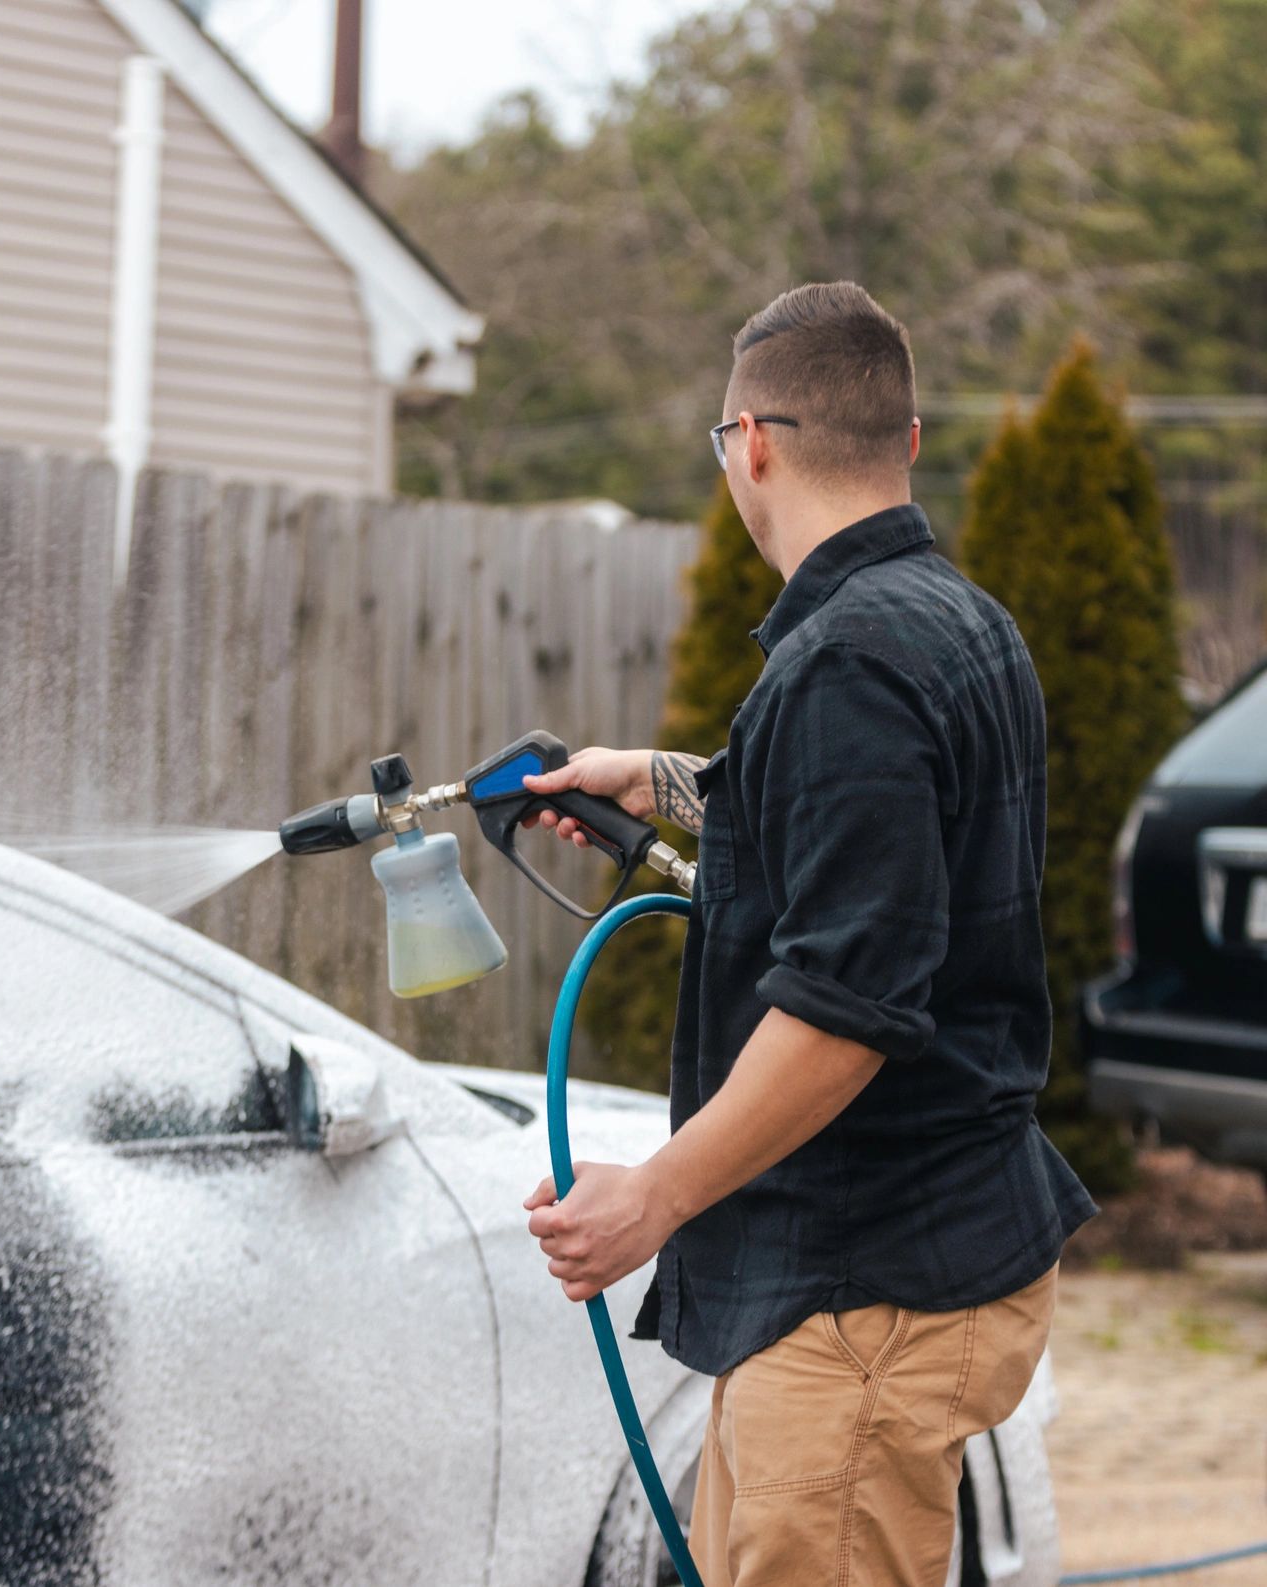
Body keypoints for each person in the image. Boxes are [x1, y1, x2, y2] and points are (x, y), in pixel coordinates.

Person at [518, 281, 1096, 1586]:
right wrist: (652, 779)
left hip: (863, 1293)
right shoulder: (954, 625)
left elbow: (852, 1006)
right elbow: (865, 832)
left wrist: (650, 1201)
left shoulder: (847, 661)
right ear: (906, 439)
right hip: (908, 1258)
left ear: (753, 444)